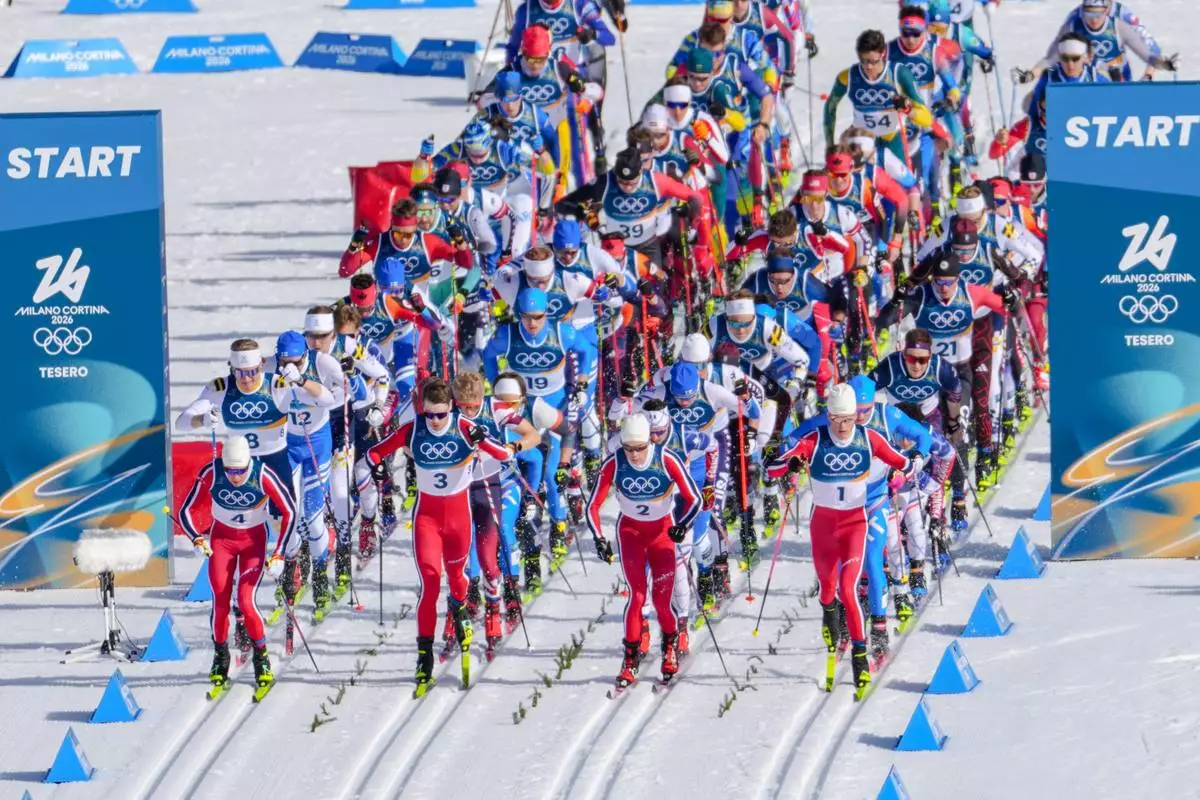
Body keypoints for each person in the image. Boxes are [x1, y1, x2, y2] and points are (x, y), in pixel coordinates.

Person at [365, 378, 518, 693]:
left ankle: (461, 610)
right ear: (423, 410)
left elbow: (504, 456)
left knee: (458, 580)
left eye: (441, 414)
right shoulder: (413, 429)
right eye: (431, 414)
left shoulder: (464, 427)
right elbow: (374, 453)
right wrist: (378, 468)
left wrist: (484, 440)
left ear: (452, 408)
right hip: (428, 519)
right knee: (430, 583)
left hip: (458, 519)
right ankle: (424, 655)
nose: (436, 420)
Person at [766, 383, 914, 697]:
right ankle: (828, 612)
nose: (843, 427)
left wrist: (902, 475)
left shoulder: (870, 439)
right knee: (828, 590)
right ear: (828, 416)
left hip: (854, 524)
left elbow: (904, 463)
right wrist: (786, 463)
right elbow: (774, 467)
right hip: (823, 526)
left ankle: (860, 656)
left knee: (849, 588)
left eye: (848, 419)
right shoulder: (814, 441)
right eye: (836, 419)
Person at [586, 413, 701, 688]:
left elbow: (694, 498)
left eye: (639, 448)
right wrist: (599, 538)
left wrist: (682, 526)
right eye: (628, 449)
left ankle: (669, 649)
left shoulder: (666, 459)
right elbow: (592, 506)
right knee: (637, 597)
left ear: (650, 441)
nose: (634, 455)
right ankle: (630, 659)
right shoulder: (615, 463)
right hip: (632, 535)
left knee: (662, 602)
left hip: (662, 534)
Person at [181, 435, 297, 693]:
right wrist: (197, 538)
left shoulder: (263, 474)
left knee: (245, 601)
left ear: (249, 464)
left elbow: (290, 509)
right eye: (230, 470)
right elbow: (184, 510)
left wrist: (278, 553)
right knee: (221, 601)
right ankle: (220, 656)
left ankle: (261, 658)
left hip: (253, 540)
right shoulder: (212, 471)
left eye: (240, 471)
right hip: (221, 540)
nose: (235, 476)